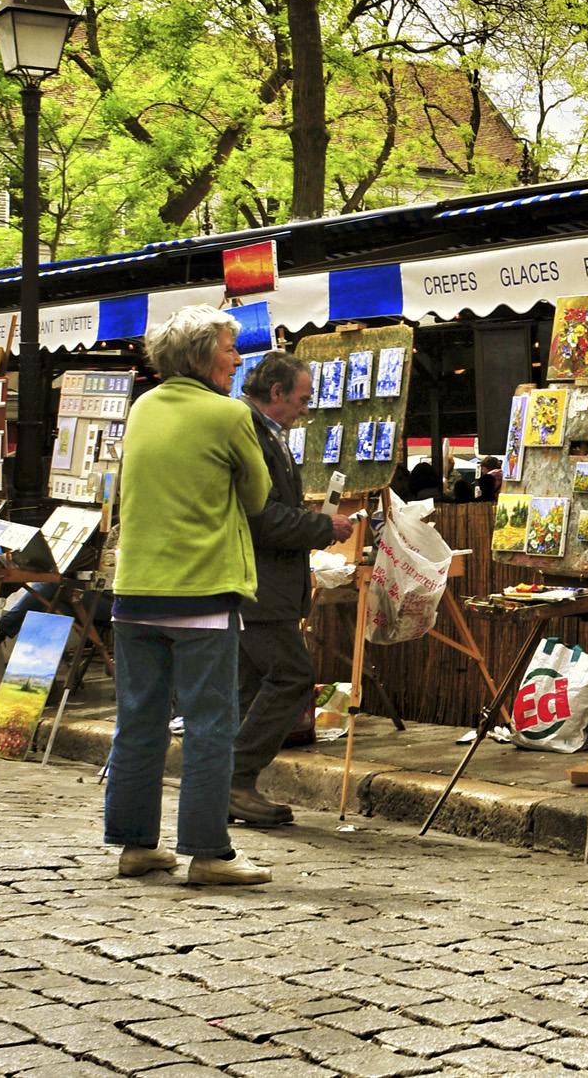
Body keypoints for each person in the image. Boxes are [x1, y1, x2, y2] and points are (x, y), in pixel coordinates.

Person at [105, 305, 273, 885]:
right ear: (202, 356)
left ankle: (135, 845)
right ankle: (208, 853)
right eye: (230, 349)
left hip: (134, 595)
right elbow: (257, 496)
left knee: (139, 720)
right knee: (209, 725)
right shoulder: (229, 415)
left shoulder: (143, 407)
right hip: (201, 591)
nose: (238, 359)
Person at [231, 352, 356, 828]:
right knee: (292, 676)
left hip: (260, 583)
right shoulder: (252, 432)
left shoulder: (267, 434)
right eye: (302, 398)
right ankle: (234, 778)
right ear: (277, 393)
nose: (307, 408)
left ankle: (235, 788)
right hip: (259, 586)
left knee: (249, 685)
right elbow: (261, 516)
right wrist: (321, 525)